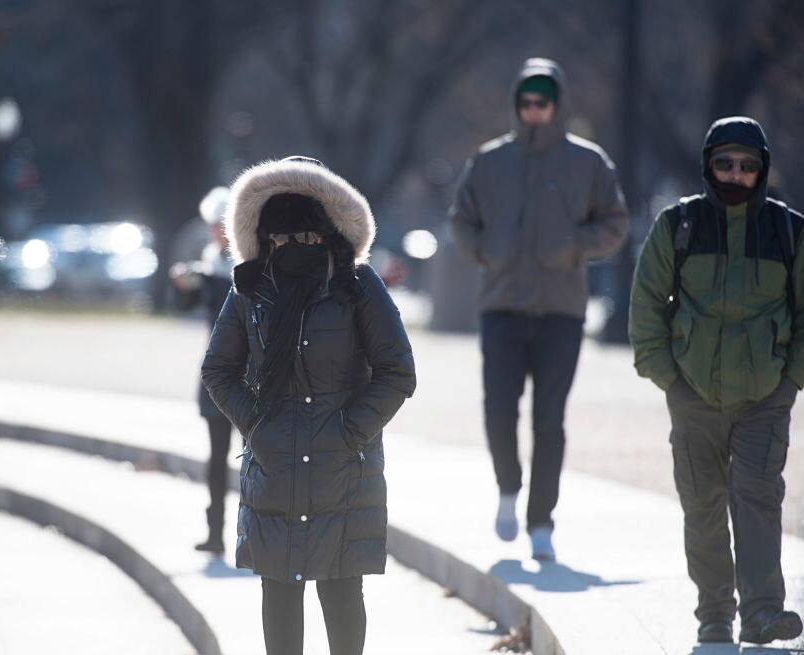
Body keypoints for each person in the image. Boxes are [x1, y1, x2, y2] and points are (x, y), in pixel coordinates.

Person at [202, 156, 416, 655]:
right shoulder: (251, 290)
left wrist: (349, 430)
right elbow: (218, 369)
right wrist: (256, 423)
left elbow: (397, 371)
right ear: (264, 237)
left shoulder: (357, 286)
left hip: (345, 467)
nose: (292, 247)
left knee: (341, 590)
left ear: (328, 234)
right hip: (274, 466)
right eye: (280, 237)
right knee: (279, 592)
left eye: (305, 236)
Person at [629, 116, 804, 645]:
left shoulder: (788, 232)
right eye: (725, 163)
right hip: (694, 396)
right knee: (702, 505)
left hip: (764, 398)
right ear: (709, 165)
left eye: (746, 166)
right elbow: (644, 310)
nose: (735, 173)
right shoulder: (677, 225)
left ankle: (763, 612)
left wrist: (789, 380)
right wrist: (671, 381)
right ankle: (714, 612)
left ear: (761, 170)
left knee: (756, 497)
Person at [448, 57, 628, 560]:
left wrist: (573, 246)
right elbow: (461, 219)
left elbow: (615, 223)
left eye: (542, 102)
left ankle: (541, 520)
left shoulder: (588, 162)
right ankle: (509, 488)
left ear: (558, 104)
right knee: (498, 411)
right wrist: (486, 250)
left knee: (550, 420)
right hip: (501, 306)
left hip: (561, 312)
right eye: (526, 102)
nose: (534, 111)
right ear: (516, 105)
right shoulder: (488, 161)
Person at [170, 186, 236, 554]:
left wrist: (207, 280)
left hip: (249, 374)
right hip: (216, 371)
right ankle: (215, 531)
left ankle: (252, 532)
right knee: (216, 457)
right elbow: (187, 305)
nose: (216, 232)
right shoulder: (212, 260)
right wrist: (183, 283)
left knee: (253, 458)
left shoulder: (247, 264)